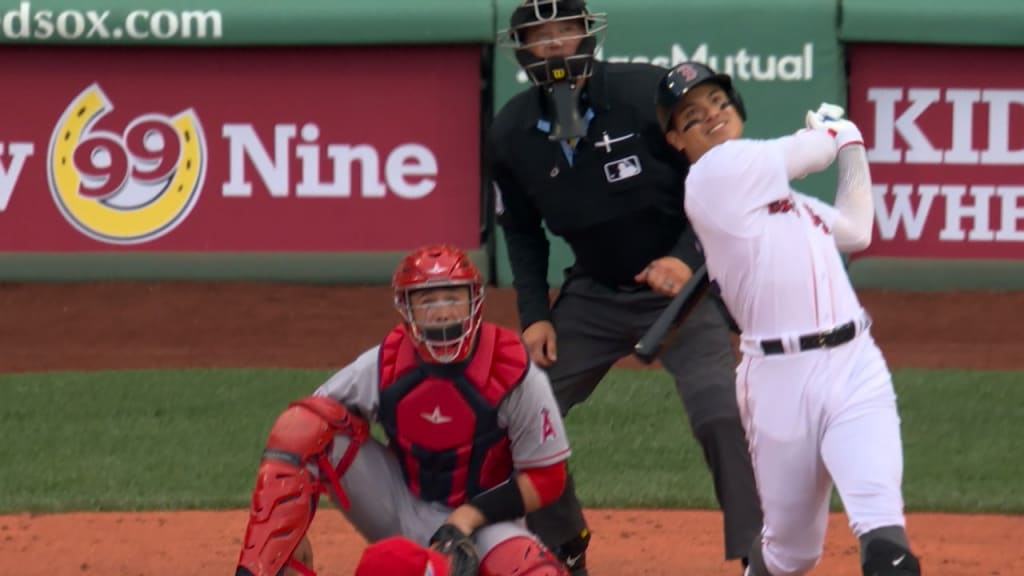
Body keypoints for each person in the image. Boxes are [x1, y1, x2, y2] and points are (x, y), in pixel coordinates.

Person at [488, 1, 763, 573]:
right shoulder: (512, 130)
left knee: (719, 414)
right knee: (522, 415)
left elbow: (718, 178)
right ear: (522, 51)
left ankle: (758, 557)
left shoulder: (645, 92)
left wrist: (684, 258)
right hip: (594, 291)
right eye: (542, 36)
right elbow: (520, 230)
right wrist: (536, 313)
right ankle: (564, 545)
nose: (557, 45)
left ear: (589, 35)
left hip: (683, 292)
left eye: (567, 30)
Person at [654, 61, 922, 576]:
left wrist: (852, 149)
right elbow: (810, 151)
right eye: (692, 114)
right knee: (790, 554)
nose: (711, 114)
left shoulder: (788, 204)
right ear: (675, 140)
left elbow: (856, 229)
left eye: (718, 102)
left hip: (855, 368)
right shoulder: (714, 174)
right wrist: (833, 133)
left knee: (887, 544)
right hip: (779, 383)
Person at [234, 244, 571, 576]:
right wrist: (293, 537)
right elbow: (301, 437)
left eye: (453, 299)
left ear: (474, 301)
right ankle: (265, 569)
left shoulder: (513, 370)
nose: (442, 313)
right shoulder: (385, 364)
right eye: (427, 302)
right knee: (303, 425)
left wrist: (465, 519)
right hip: (397, 507)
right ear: (405, 309)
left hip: (483, 524)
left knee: (534, 571)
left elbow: (547, 477)